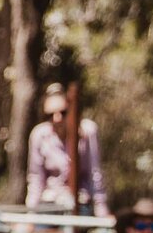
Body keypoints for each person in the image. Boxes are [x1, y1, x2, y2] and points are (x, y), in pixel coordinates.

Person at [25, 85, 108, 216]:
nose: (57, 118)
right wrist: (31, 213)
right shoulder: (39, 134)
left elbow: (95, 173)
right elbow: (36, 177)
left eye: (63, 113)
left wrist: (101, 210)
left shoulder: (88, 131)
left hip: (80, 202)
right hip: (50, 203)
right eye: (50, 115)